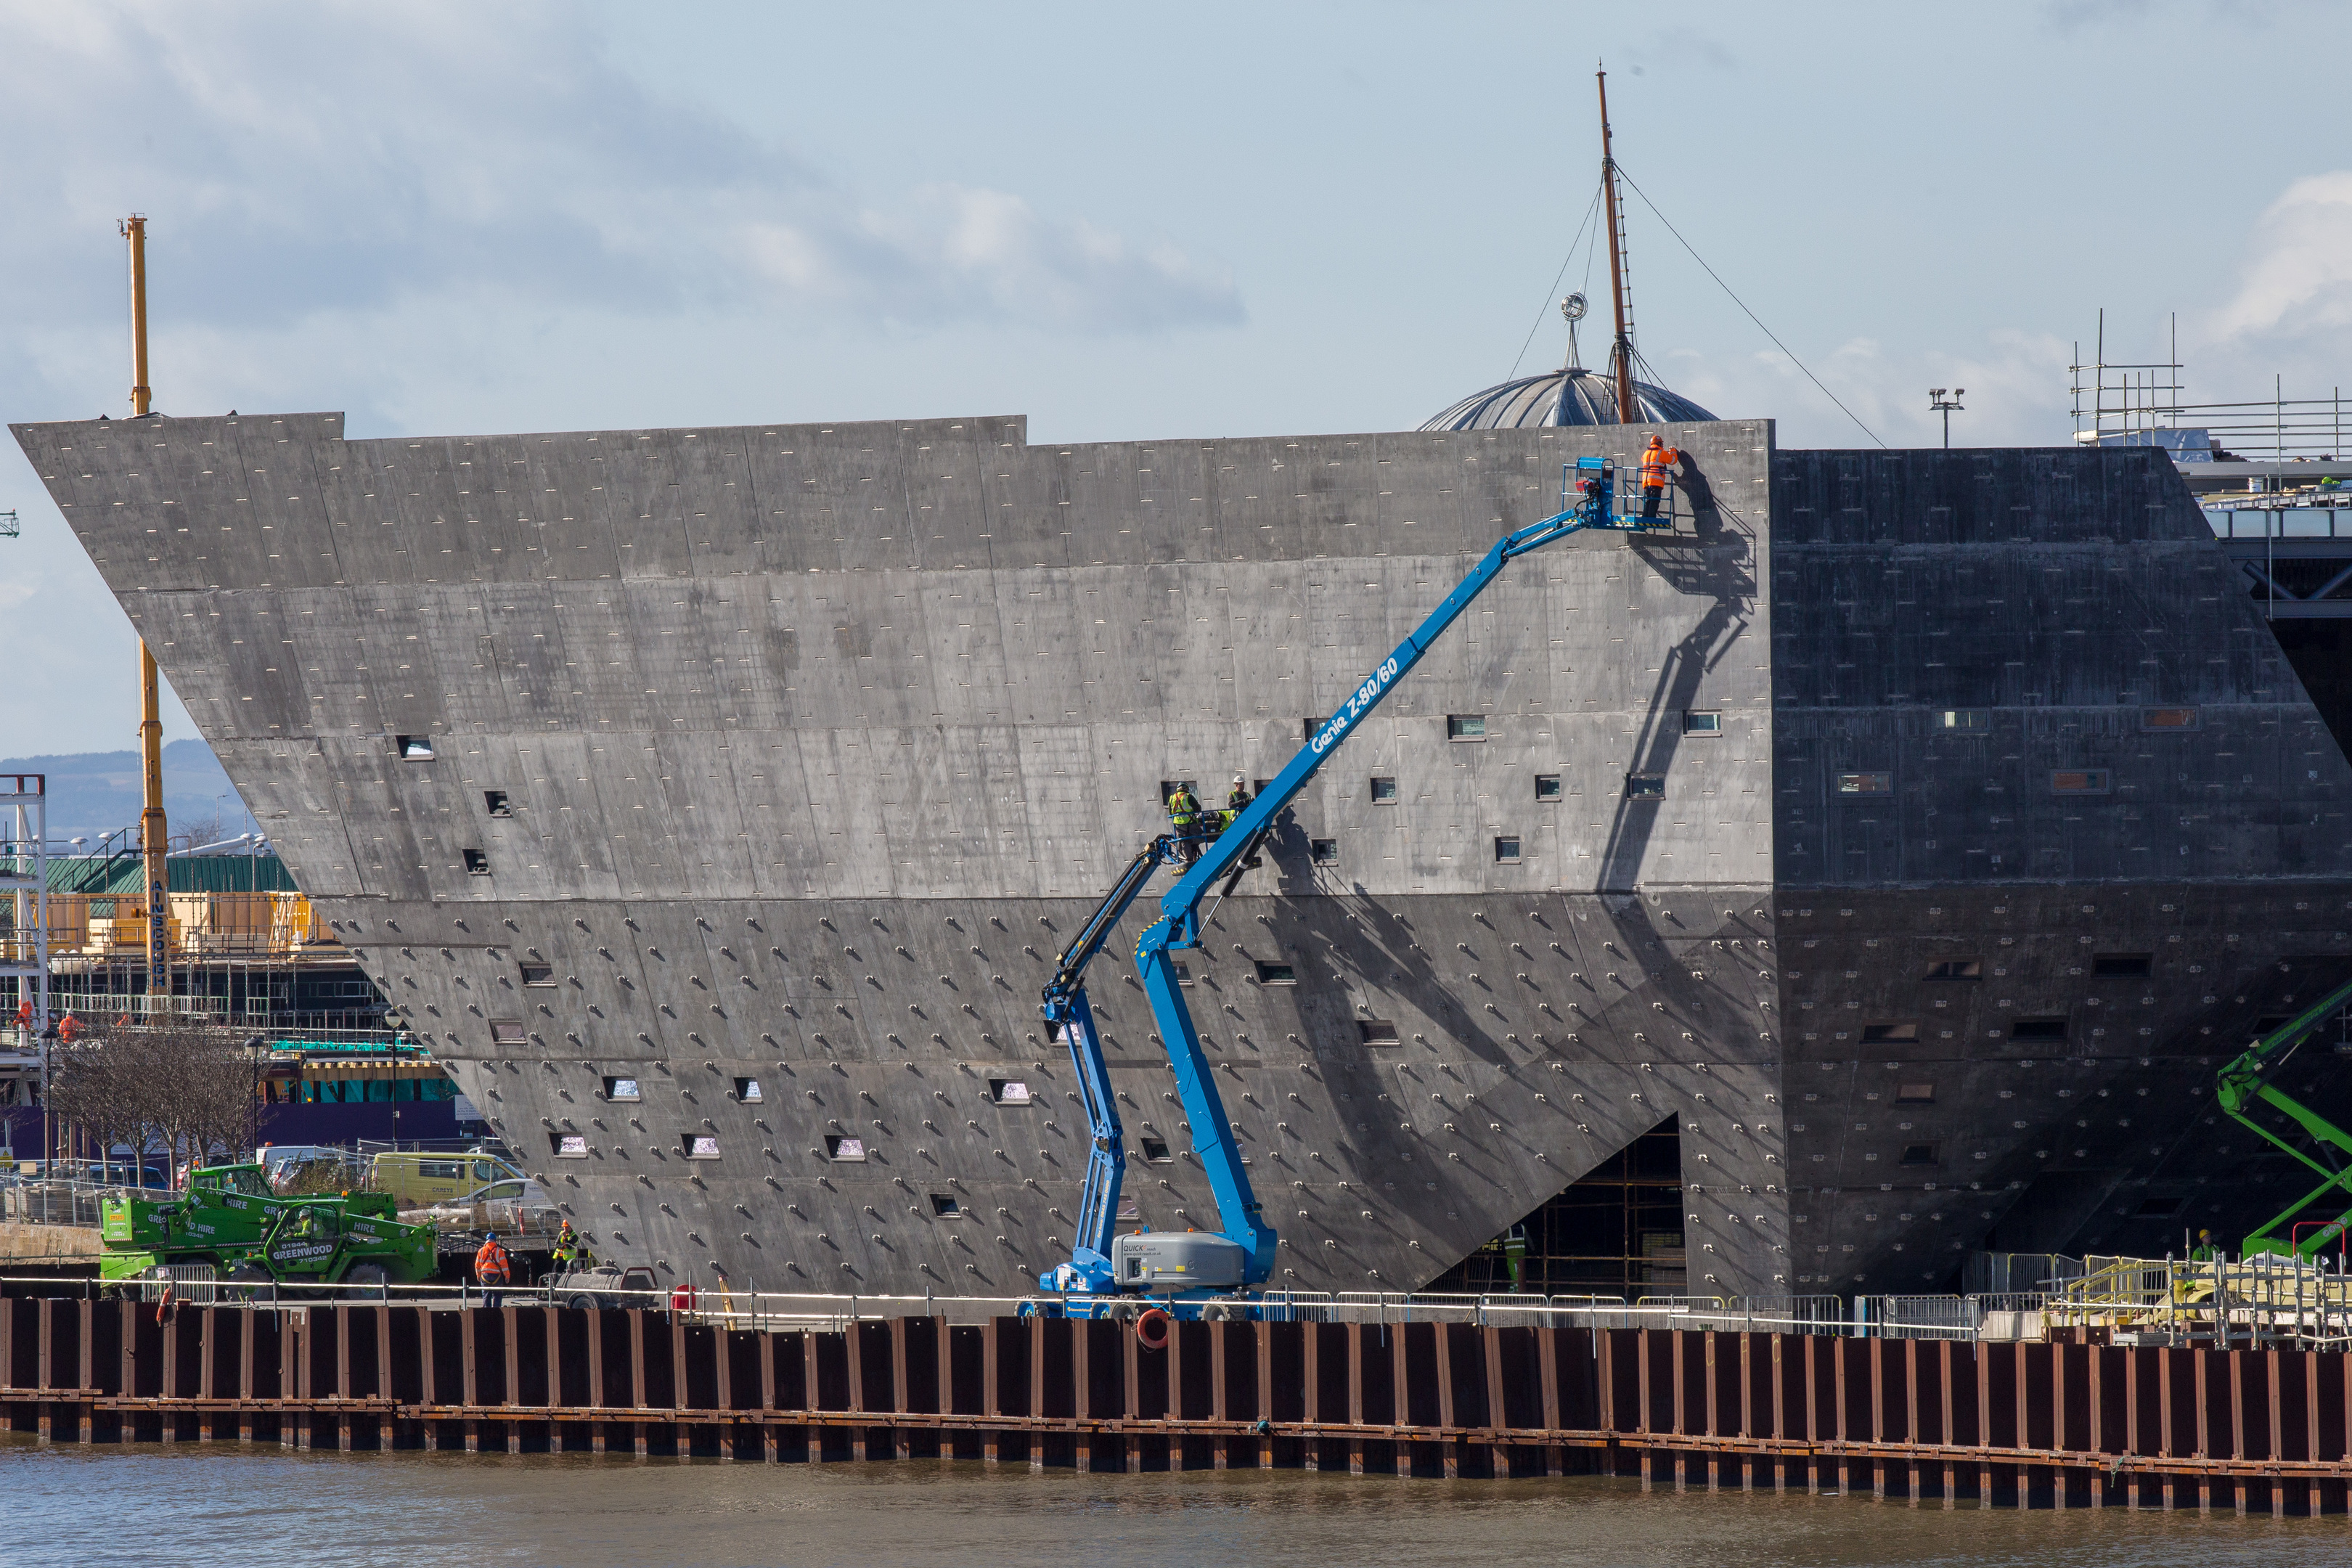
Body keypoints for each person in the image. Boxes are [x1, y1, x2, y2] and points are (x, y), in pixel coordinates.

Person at [1638, 434, 1681, 519]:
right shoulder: (1661, 453)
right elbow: (1673, 460)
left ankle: (1645, 517)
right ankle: (1651, 518)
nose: (1662, 445)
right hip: (1656, 481)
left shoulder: (1646, 453)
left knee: (1649, 500)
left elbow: (1643, 459)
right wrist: (1673, 451)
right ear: (1658, 444)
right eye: (1661, 443)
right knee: (1655, 501)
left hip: (1646, 481)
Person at [1166, 782, 1203, 863]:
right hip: (1190, 823)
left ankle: (1188, 858)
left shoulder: (1172, 798)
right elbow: (1198, 809)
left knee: (1182, 840)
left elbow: (1171, 813)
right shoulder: (1188, 796)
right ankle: (1192, 845)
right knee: (1202, 836)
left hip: (1178, 825)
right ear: (1186, 789)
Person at [474, 1230, 513, 1309]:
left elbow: (477, 1265)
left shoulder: (481, 1251)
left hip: (485, 1276)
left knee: (486, 1295)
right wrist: (507, 1276)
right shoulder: (499, 1251)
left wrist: (478, 1275)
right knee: (497, 1295)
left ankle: (486, 1313)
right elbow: (504, 1265)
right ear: (495, 1240)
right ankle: (497, 1312)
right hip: (497, 1277)